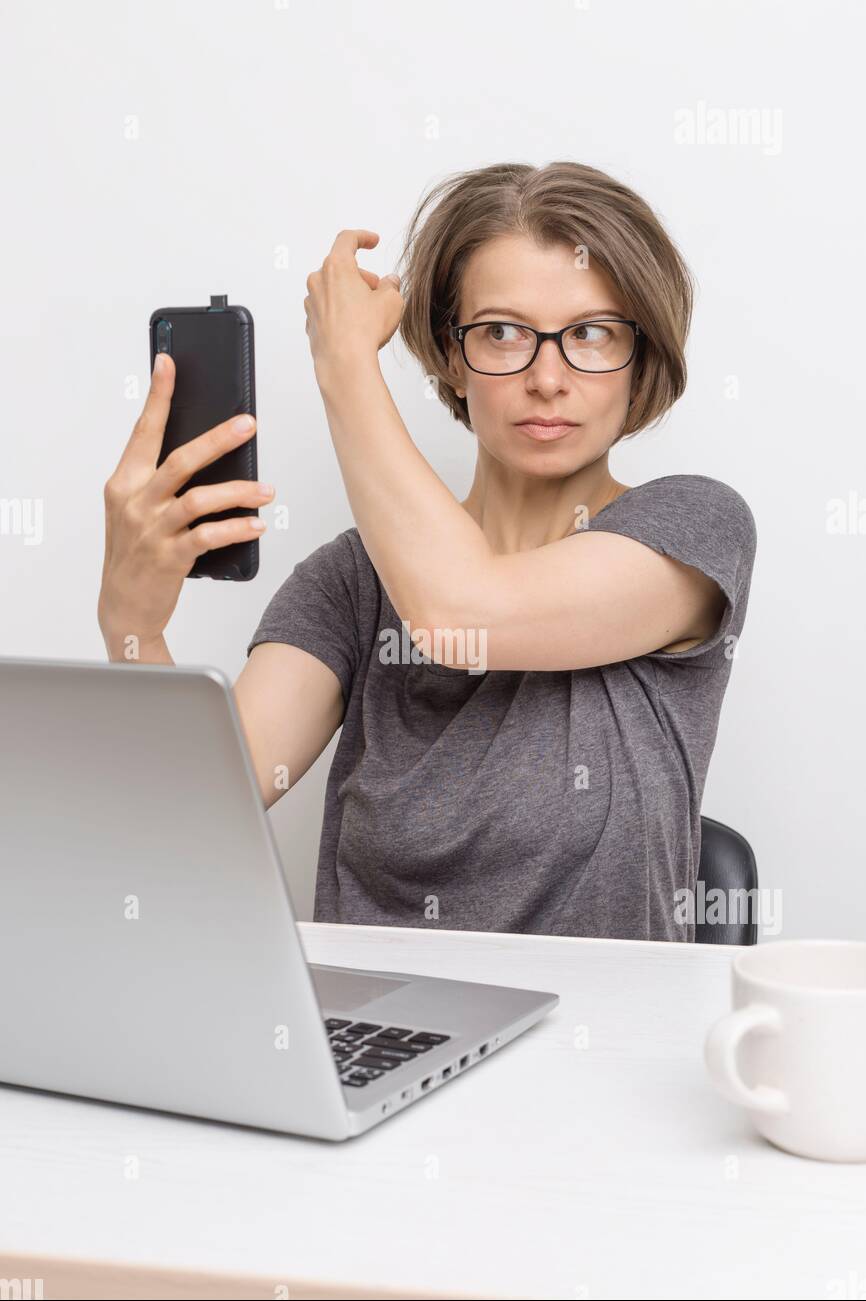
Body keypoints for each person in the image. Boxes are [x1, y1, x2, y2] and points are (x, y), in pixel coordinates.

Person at [98, 161, 756, 942]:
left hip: (596, 1050)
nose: (549, 378)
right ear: (451, 354)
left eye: (589, 334)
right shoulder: (352, 583)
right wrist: (130, 621)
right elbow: (187, 810)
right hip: (378, 1043)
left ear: (639, 358)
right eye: (503, 332)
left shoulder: (693, 526)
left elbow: (461, 612)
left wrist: (344, 364)